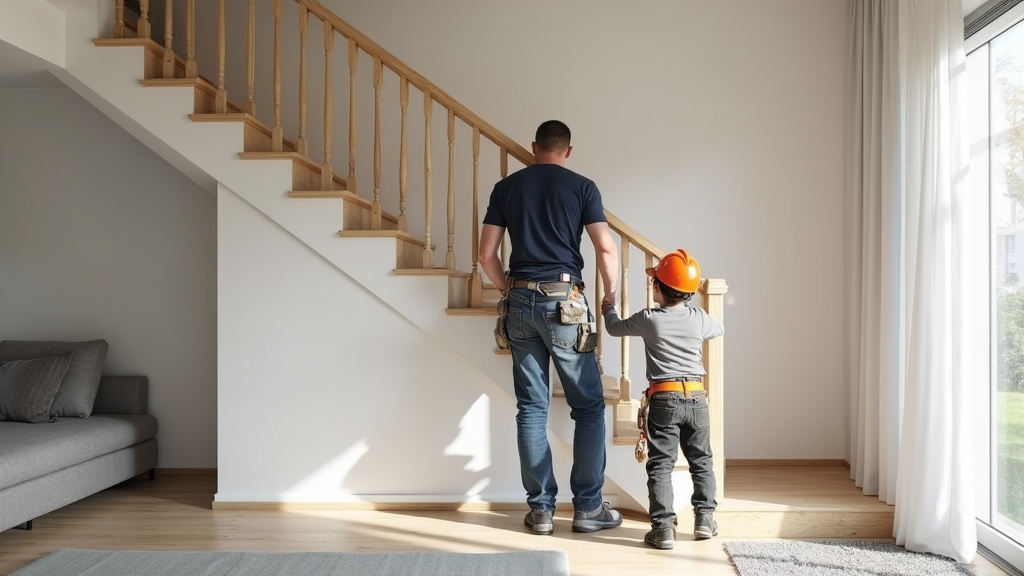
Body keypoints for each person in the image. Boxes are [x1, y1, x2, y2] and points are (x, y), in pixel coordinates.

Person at [478, 119, 621, 536]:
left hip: (520, 302)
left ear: (534, 146)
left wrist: (511, 290)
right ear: (568, 151)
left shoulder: (506, 187)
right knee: (590, 407)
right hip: (565, 303)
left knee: (532, 408)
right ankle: (588, 508)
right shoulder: (582, 187)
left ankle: (541, 511)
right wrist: (609, 293)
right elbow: (605, 246)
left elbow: (486, 254)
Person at [600, 249, 724, 549]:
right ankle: (705, 520)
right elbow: (719, 328)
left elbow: (614, 328)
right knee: (702, 461)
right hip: (697, 397)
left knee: (660, 465)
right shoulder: (698, 318)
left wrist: (608, 307)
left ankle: (663, 529)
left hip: (664, 398)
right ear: (689, 293)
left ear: (656, 288)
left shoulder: (648, 319)